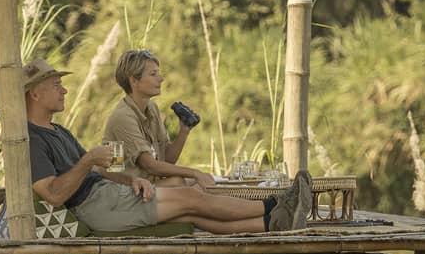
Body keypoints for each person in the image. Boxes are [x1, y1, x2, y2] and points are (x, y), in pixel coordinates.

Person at [22, 57, 310, 234]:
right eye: (56, 85)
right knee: (191, 197)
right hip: (95, 206)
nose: (65, 89)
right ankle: (275, 204)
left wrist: (128, 181)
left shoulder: (59, 130)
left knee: (190, 212)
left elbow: (98, 171)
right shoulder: (32, 140)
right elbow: (53, 195)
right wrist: (88, 161)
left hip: (108, 194)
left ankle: (272, 223)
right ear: (35, 93)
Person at [103, 48, 213, 187]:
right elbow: (149, 165)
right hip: (127, 189)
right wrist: (195, 172)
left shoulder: (152, 109)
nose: (161, 79)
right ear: (134, 81)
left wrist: (184, 132)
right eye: (153, 74)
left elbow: (166, 161)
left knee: (202, 181)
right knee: (180, 182)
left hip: (149, 185)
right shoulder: (123, 117)